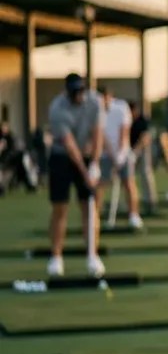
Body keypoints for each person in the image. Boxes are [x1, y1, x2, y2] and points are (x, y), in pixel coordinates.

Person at [45, 73, 105, 277]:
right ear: (67, 93)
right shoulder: (57, 108)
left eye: (81, 91)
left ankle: (92, 255)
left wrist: (95, 164)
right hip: (62, 157)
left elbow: (97, 132)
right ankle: (56, 257)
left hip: (87, 155)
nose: (79, 95)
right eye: (75, 92)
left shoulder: (95, 102)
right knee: (60, 207)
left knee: (89, 206)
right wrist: (85, 172)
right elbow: (69, 145)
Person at [97, 85, 143, 230]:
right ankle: (95, 217)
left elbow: (124, 133)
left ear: (109, 97)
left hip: (124, 152)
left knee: (128, 183)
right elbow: (101, 136)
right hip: (105, 153)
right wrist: (112, 155)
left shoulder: (122, 107)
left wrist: (120, 156)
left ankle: (134, 215)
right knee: (101, 184)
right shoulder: (97, 111)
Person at [127, 100, 157, 215]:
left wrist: (135, 152)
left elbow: (145, 138)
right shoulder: (126, 120)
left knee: (145, 173)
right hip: (130, 150)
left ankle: (150, 202)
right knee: (128, 177)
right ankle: (131, 203)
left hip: (143, 150)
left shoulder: (142, 120)